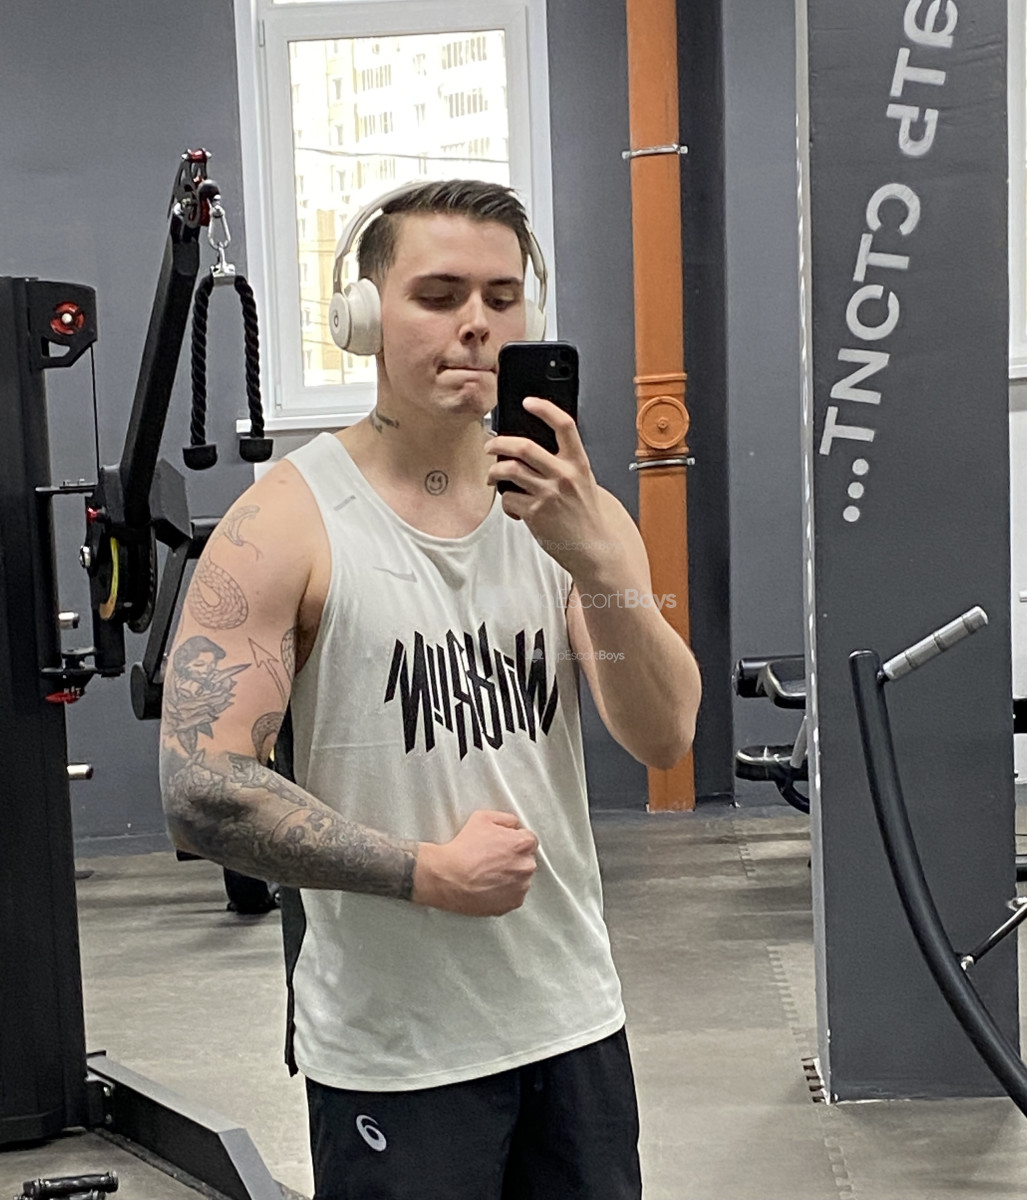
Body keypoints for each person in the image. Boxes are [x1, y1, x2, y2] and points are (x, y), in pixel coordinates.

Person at [159, 178, 701, 1200]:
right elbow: (203, 790)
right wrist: (426, 873)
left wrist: (597, 562)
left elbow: (664, 733)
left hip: (574, 1020)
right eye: (440, 295)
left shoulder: (572, 512)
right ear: (365, 317)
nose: (476, 325)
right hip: (394, 1054)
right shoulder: (284, 522)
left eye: (502, 297)